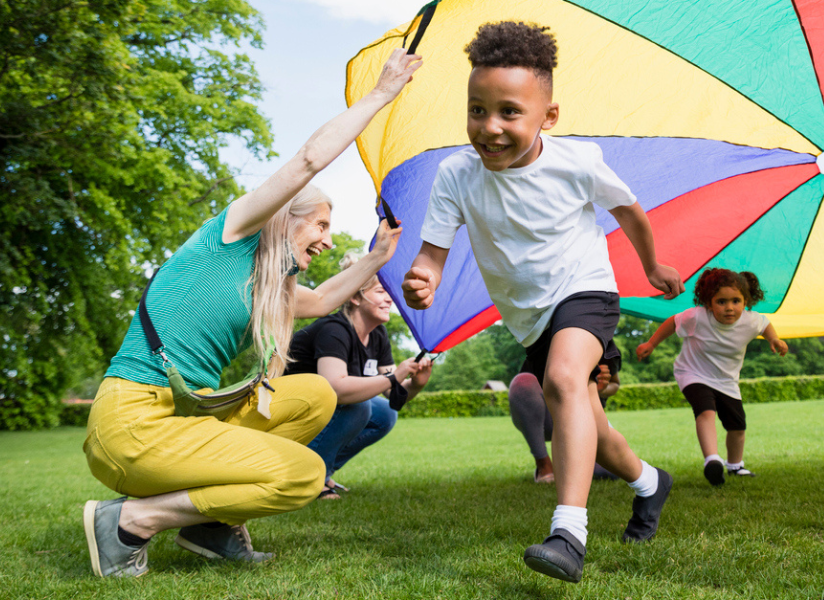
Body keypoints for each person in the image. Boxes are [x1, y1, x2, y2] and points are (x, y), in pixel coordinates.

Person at [81, 49, 422, 578]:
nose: (329, 242)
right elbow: (309, 159)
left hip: (184, 417)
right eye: (321, 226)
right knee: (303, 475)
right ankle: (132, 520)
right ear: (286, 218)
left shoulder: (267, 285)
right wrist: (381, 95)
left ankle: (208, 526)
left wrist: (378, 257)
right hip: (132, 425)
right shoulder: (231, 236)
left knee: (313, 394)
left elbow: (326, 300)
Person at [401, 22, 683, 583]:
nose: (490, 127)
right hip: (529, 317)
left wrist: (651, 265)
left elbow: (629, 210)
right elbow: (432, 254)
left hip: (585, 290)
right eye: (477, 110)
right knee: (591, 428)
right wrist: (421, 277)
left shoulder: (575, 162)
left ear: (547, 117)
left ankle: (568, 534)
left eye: (509, 112)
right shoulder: (456, 174)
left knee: (561, 381)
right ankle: (650, 484)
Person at [286, 252, 434, 499]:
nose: (390, 300)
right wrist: (394, 377)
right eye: (381, 292)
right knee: (359, 406)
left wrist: (415, 384)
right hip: (287, 407)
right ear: (355, 296)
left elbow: (392, 395)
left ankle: (321, 471)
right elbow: (336, 388)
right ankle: (307, 478)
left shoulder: (378, 335)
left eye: (390, 293)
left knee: (385, 413)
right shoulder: (334, 330)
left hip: (321, 408)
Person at [635, 269, 788, 487]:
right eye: (721, 301)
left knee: (737, 426)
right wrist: (651, 343)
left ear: (746, 301)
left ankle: (735, 465)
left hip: (727, 381)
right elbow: (672, 322)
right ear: (708, 303)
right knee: (705, 411)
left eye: (736, 301)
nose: (729, 307)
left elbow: (764, 325)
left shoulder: (750, 321)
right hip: (692, 373)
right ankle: (712, 460)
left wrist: (774, 339)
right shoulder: (697, 316)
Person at [509, 364, 621, 484]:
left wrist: (600, 387)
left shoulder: (606, 348)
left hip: (585, 417)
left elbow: (615, 384)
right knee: (522, 382)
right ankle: (543, 464)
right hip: (551, 412)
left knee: (611, 471)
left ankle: (573, 460)